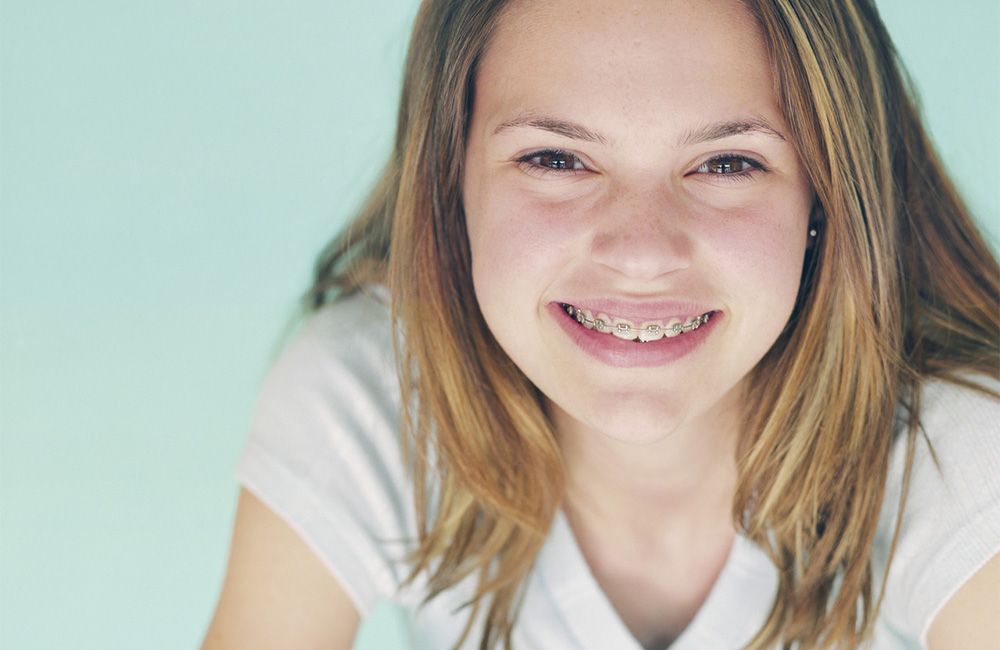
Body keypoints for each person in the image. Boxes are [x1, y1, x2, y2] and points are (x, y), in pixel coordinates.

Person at [200, 0, 1000, 648]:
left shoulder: (957, 444)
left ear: (825, 199)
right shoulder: (373, 395)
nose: (642, 254)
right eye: (556, 159)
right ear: (451, 187)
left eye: (727, 163)